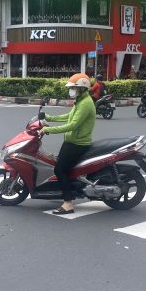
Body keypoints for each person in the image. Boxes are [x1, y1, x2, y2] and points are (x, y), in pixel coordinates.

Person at [39, 74, 96, 215]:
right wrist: (49, 118)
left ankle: (68, 203)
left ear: (82, 88)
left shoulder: (86, 104)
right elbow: (69, 116)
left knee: (59, 170)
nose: (71, 90)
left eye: (73, 88)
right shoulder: (81, 100)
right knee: (61, 166)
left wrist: (48, 129)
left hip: (78, 143)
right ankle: (66, 190)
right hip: (72, 141)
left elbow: (72, 125)